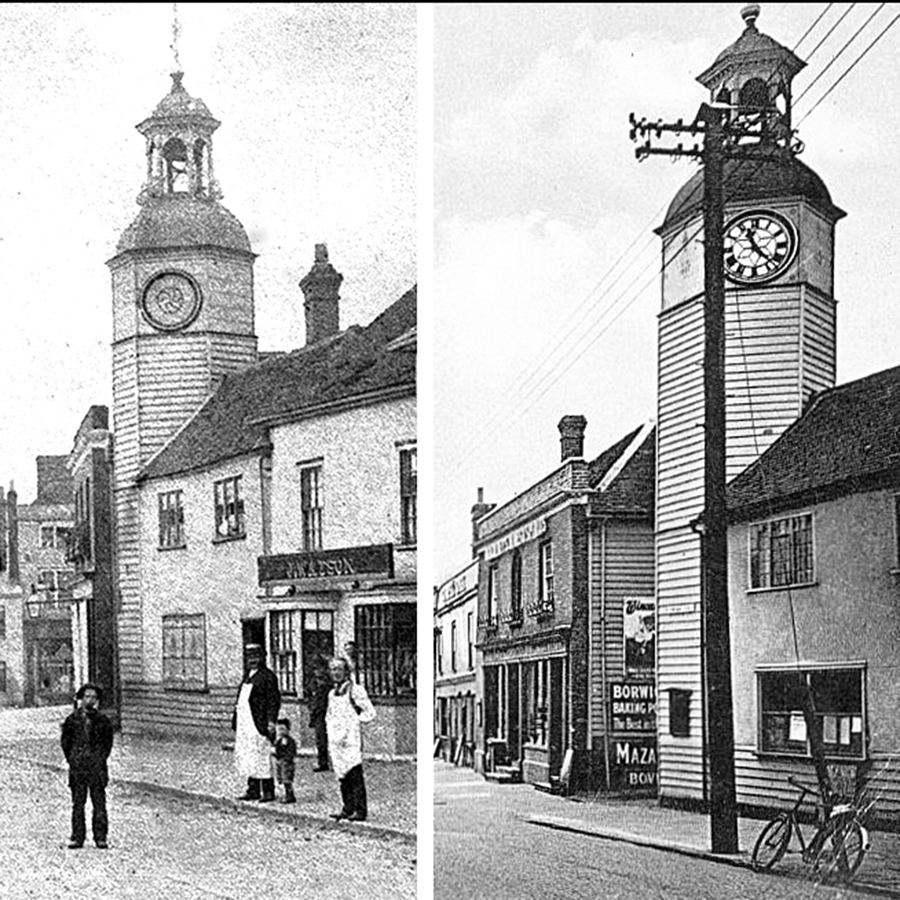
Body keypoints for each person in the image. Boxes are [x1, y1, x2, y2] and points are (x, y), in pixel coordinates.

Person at [60, 683, 114, 849]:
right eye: (87, 697)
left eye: (93, 697)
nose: (90, 700)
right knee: (78, 803)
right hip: (78, 767)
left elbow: (107, 743)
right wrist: (73, 759)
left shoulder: (103, 721)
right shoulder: (72, 720)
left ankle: (100, 837)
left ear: (97, 700)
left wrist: (99, 759)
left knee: (99, 803)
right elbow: (66, 743)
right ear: (81, 699)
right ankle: (78, 837)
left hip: (97, 767)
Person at [325, 656, 375, 821]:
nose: (336, 673)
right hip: (336, 740)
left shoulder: (356, 690)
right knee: (341, 774)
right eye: (333, 669)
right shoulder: (332, 693)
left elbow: (370, 713)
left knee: (354, 773)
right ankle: (347, 808)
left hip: (350, 740)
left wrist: (354, 723)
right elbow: (329, 715)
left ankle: (360, 810)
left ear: (346, 671)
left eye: (339, 669)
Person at [231, 643, 281, 803]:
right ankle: (253, 789)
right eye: (250, 657)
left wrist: (271, 721)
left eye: (256, 657)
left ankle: (268, 791)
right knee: (249, 755)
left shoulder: (268, 677)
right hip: (245, 723)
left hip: (259, 723)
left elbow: (273, 701)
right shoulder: (247, 676)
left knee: (262, 756)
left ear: (262, 658)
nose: (253, 660)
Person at [309, 655, 331, 772]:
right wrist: (311, 707)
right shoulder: (313, 682)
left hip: (329, 713)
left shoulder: (330, 682)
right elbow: (309, 695)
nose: (317, 671)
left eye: (319, 668)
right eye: (315, 668)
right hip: (318, 714)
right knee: (320, 739)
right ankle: (323, 762)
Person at [271, 718, 297, 804]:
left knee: (287, 779)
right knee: (281, 778)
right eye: (279, 729)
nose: (281, 732)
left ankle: (289, 795)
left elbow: (292, 752)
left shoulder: (290, 741)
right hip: (280, 762)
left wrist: (287, 759)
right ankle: (284, 794)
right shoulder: (278, 741)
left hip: (286, 763)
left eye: (283, 729)